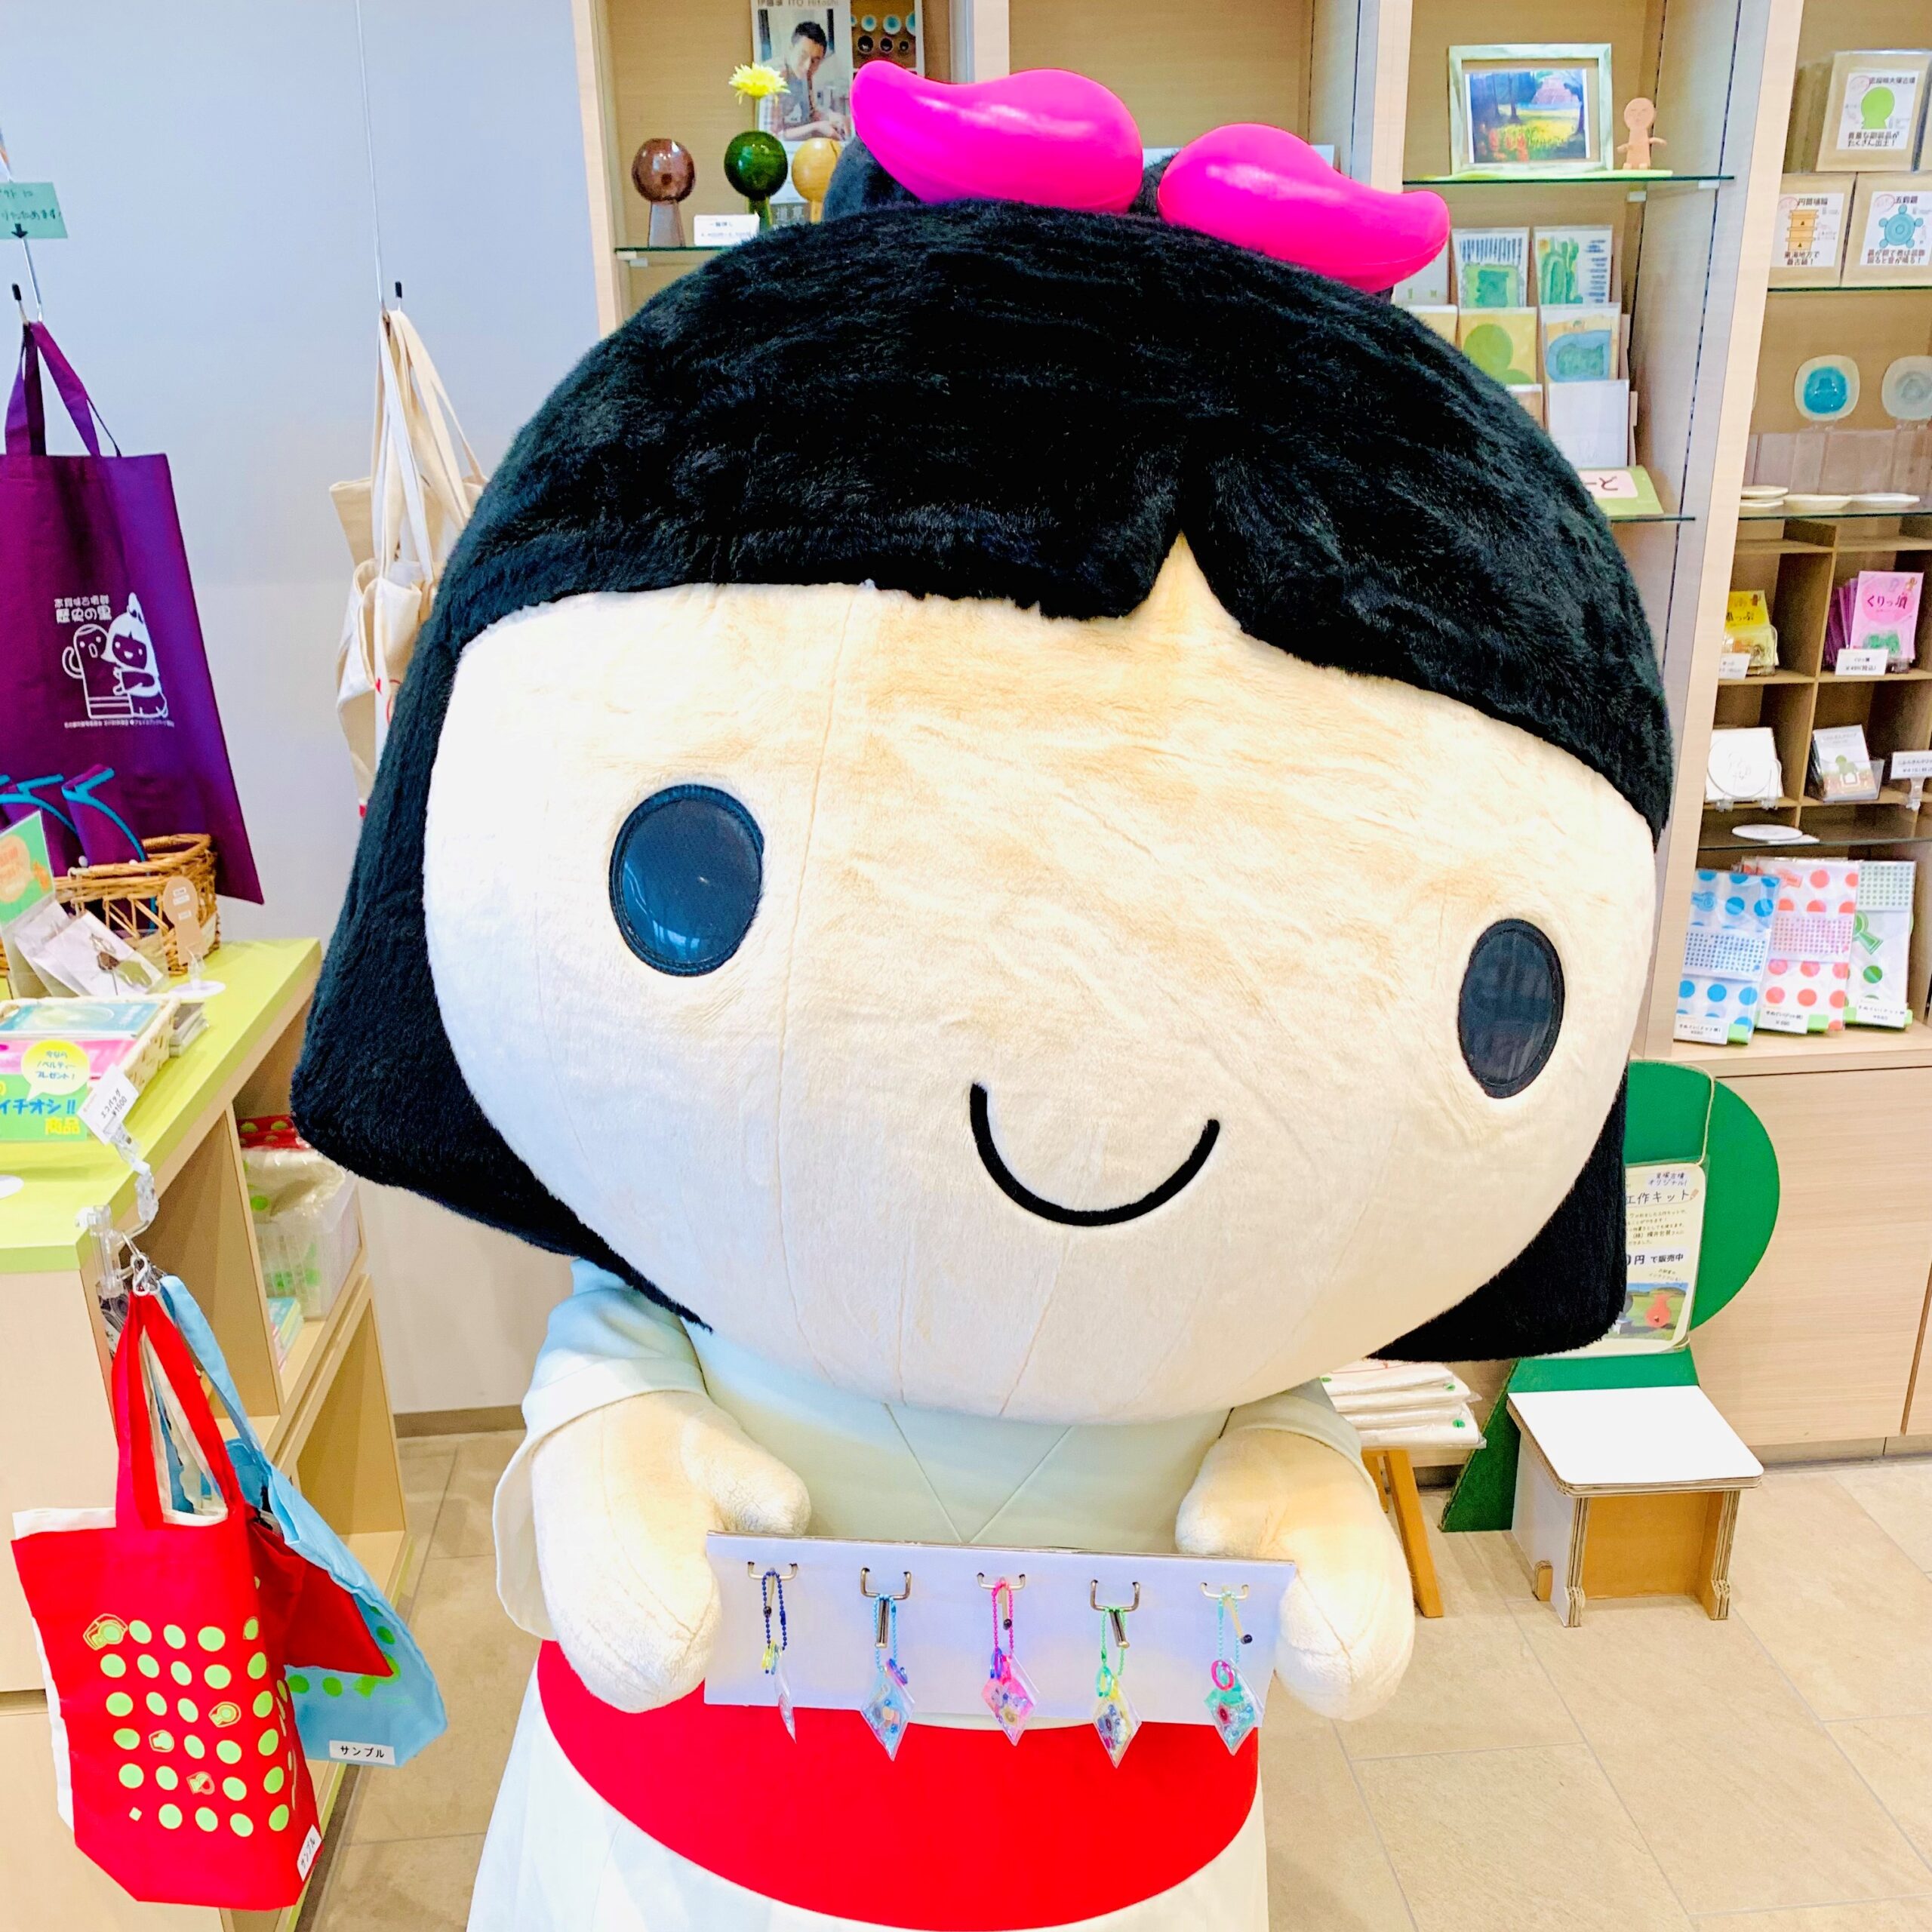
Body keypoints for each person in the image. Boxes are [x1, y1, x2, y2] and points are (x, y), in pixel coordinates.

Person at [294, 87, 1670, 1932]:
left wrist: (1295, 1472)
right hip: (695, 1848)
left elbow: (1272, 1409)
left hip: (1116, 1851)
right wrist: (609, 1463)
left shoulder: (1228, 1329)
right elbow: (614, 1356)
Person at [772, 18, 846, 141]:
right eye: (803, 56)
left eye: (815, 61)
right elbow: (772, 135)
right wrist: (817, 126)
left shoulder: (805, 77)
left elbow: (811, 115)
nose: (807, 66)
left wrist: (831, 117)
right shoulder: (774, 75)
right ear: (790, 49)